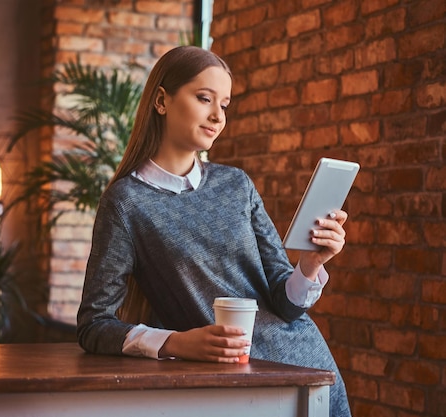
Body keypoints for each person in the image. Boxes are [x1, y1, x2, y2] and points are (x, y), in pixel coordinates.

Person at [76, 45, 352, 417]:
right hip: (231, 389)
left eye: (224, 104)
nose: (217, 116)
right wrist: (177, 343)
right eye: (204, 98)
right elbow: (94, 325)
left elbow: (284, 303)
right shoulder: (126, 203)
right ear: (162, 100)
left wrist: (309, 265)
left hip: (307, 366)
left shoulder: (236, 184)